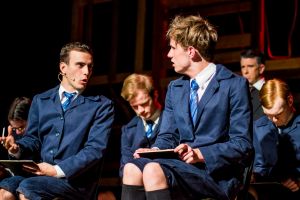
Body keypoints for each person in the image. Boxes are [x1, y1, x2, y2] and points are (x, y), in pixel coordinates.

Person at [121, 15, 253, 200]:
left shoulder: (233, 85)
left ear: (190, 51)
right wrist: (156, 150)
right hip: (179, 168)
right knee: (131, 168)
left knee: (152, 170)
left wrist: (199, 154)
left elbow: (242, 145)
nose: (169, 55)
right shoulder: (176, 89)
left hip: (215, 174)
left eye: (173, 48)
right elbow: (168, 136)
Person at [0, 42, 115, 200]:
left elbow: (94, 150)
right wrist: (16, 148)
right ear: (63, 68)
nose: (86, 72)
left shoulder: (101, 105)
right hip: (40, 176)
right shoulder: (41, 100)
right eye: (80, 65)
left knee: (28, 189)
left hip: (74, 182)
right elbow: (33, 140)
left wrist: (55, 170)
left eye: (90, 66)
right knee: (6, 190)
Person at [253, 78, 300, 199]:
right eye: (268, 115)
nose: (273, 120)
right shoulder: (258, 127)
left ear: (290, 100)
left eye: (278, 114)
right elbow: (258, 166)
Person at [119, 73, 162, 177]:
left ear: (155, 95)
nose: (140, 111)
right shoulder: (128, 130)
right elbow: (124, 169)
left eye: (144, 103)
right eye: (134, 107)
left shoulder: (173, 120)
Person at [0, 97, 31, 183]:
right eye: (14, 128)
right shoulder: (12, 134)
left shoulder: (39, 133)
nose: (17, 132)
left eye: (21, 127)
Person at [240, 49, 266, 121]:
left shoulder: (272, 91)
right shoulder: (238, 92)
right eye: (243, 67)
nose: (245, 71)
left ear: (261, 68)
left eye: (250, 66)